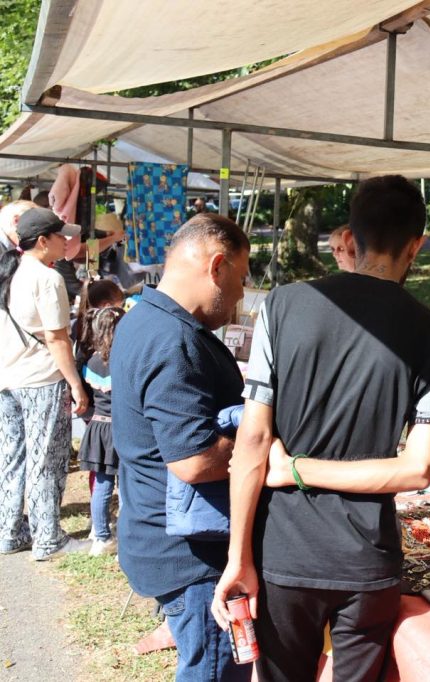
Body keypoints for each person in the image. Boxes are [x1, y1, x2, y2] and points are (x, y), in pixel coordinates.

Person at [212, 175, 430, 682]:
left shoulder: (281, 306)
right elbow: (417, 469)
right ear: (416, 245)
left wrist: (239, 553)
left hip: (284, 549)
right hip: (367, 560)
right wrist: (296, 470)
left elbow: (253, 441)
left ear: (350, 236)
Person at [111, 213, 251, 682]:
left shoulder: (144, 319)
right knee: (213, 671)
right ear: (217, 267)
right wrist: (259, 438)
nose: (241, 294)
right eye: (241, 278)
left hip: (162, 536)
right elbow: (194, 460)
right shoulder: (173, 339)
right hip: (192, 559)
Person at [0, 208, 90, 560]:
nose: (67, 241)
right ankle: (48, 538)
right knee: (47, 460)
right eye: (60, 235)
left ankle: (9, 531)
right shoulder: (47, 278)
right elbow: (57, 338)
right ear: (42, 241)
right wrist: (76, 384)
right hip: (41, 379)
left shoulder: (12, 270)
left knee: (12, 457)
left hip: (9, 378)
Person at [78, 305, 126, 556]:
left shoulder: (92, 362)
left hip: (98, 427)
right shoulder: (124, 361)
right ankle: (126, 537)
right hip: (120, 428)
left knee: (102, 485)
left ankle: (100, 537)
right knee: (126, 486)